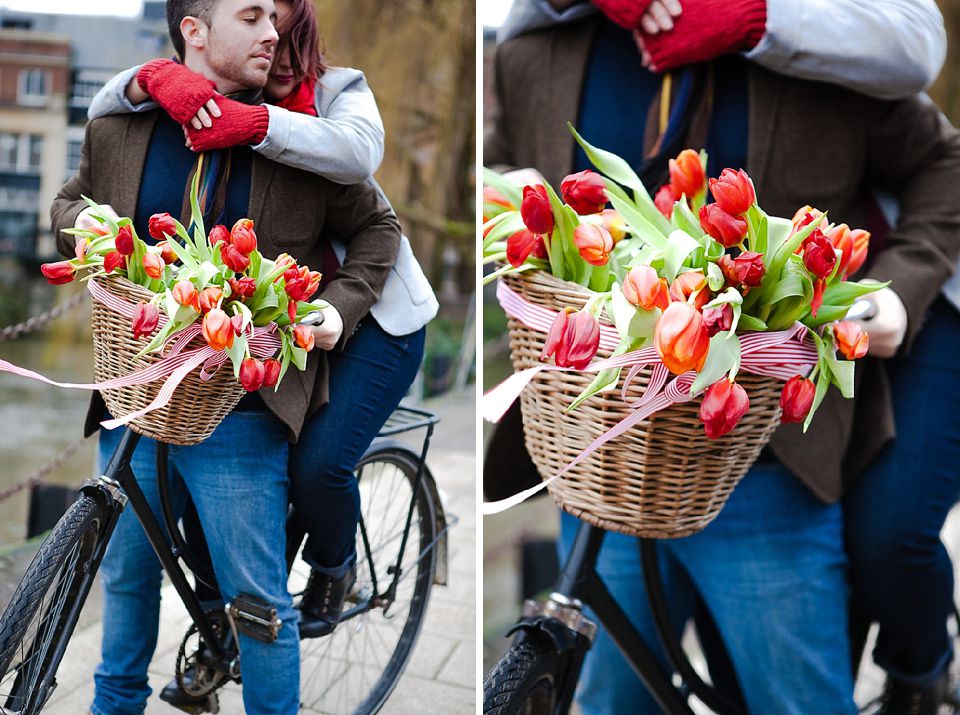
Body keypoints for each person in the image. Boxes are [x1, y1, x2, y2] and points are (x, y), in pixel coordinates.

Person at [484, 1, 960, 713]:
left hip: (766, 463)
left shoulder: (820, 53)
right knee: (612, 700)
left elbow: (943, 162)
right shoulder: (536, 52)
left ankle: (924, 674)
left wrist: (905, 287)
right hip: (602, 455)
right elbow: (492, 170)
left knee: (795, 700)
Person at [51, 1, 405, 713]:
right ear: (194, 30)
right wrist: (83, 224)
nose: (273, 32)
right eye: (251, 15)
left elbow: (378, 229)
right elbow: (65, 206)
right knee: (123, 579)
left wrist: (336, 308)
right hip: (132, 401)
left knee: (257, 607)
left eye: (274, 17)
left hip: (243, 412)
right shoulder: (121, 126)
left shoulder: (297, 140)